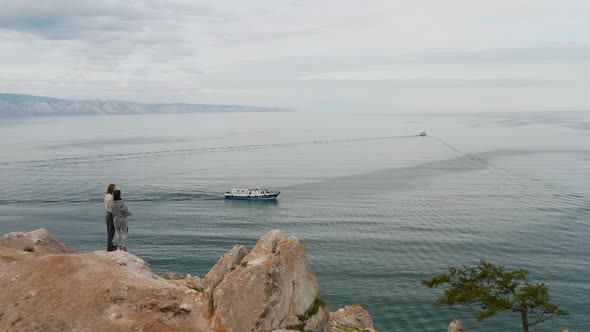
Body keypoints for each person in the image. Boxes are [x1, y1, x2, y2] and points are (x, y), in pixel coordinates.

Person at [104, 184, 117, 251]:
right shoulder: (111, 197)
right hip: (111, 214)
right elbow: (112, 207)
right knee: (112, 230)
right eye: (114, 188)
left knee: (109, 230)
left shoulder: (106, 196)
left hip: (107, 214)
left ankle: (110, 245)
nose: (115, 189)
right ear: (112, 189)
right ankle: (109, 247)